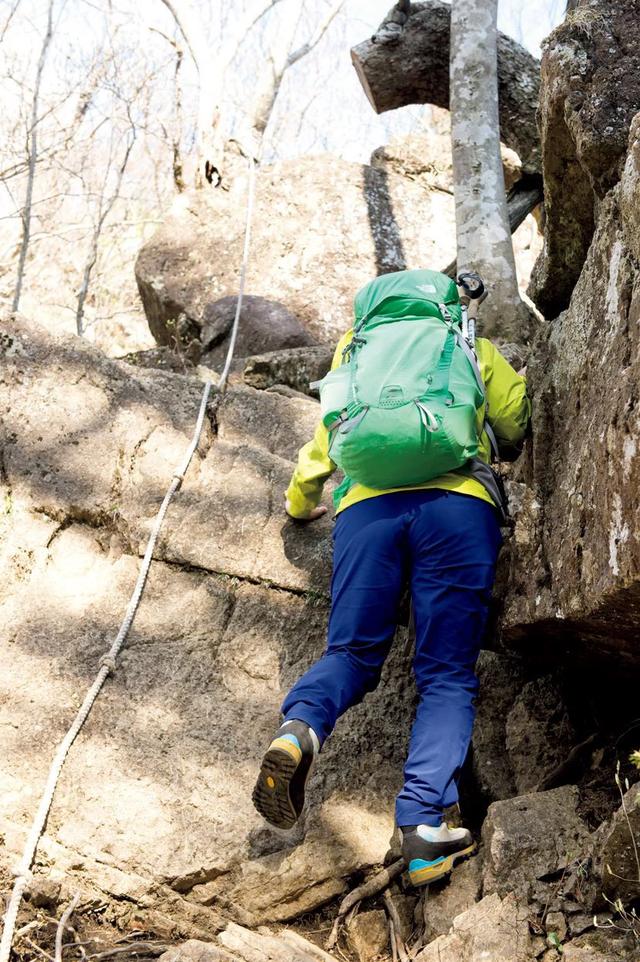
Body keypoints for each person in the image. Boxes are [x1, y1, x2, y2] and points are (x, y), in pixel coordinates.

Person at [252, 268, 531, 887]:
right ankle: (421, 828)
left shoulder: (355, 352)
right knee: (446, 674)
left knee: (350, 652)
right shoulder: (464, 342)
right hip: (458, 508)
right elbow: (513, 421)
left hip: (365, 513)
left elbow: (326, 440)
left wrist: (300, 504)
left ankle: (300, 730)